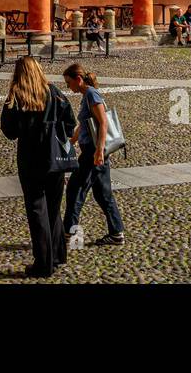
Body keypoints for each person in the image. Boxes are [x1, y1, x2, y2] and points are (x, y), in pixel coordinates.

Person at [1, 55, 74, 279]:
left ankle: (44, 264)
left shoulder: (16, 96)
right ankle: (58, 254)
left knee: (37, 210)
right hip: (55, 159)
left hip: (31, 160)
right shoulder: (54, 92)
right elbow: (70, 123)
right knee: (53, 208)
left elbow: (9, 131)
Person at [61, 63, 124, 247]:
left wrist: (99, 150)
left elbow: (103, 122)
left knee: (75, 190)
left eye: (69, 82)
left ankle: (70, 235)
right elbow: (86, 123)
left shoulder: (91, 95)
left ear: (78, 79)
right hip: (95, 152)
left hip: (93, 153)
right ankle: (116, 233)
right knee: (103, 194)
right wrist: (72, 141)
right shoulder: (86, 96)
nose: (68, 86)